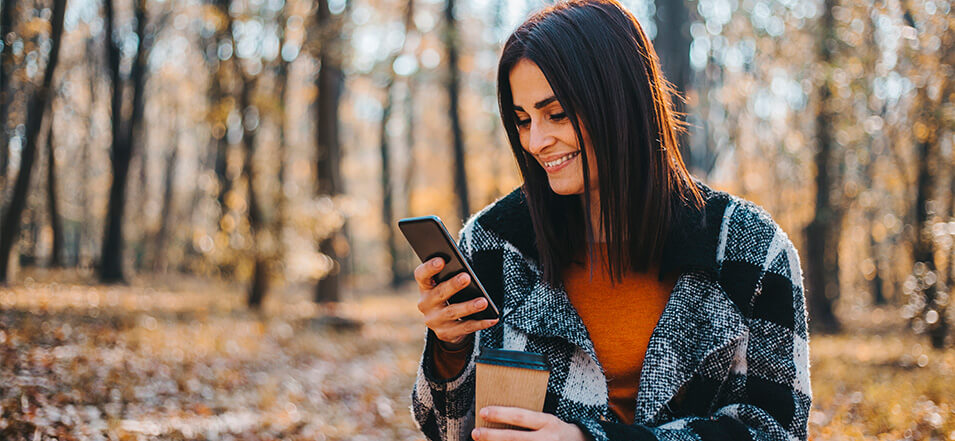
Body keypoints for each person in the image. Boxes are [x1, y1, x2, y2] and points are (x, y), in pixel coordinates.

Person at [410, 1, 811, 440]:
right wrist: (450, 347)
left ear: (621, 100)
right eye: (523, 120)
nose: (538, 141)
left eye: (557, 113)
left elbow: (776, 428)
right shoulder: (495, 243)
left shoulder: (748, 248)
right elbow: (444, 429)